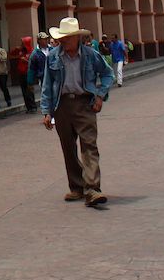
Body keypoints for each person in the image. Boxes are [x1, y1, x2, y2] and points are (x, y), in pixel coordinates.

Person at [39, 18, 116, 207]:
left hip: (84, 103)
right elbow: (47, 85)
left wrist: (100, 96)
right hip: (62, 105)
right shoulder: (53, 57)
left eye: (67, 38)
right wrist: (46, 111)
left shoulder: (91, 55)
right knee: (68, 147)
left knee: (89, 146)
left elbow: (108, 74)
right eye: (61, 38)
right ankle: (77, 186)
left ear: (77, 38)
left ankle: (92, 189)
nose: (63, 41)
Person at [27, 32, 51, 104]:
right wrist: (30, 82)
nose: (46, 40)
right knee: (46, 94)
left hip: (54, 75)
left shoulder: (52, 50)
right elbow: (31, 69)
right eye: (44, 39)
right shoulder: (35, 54)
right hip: (43, 77)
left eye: (47, 39)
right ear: (39, 41)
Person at [12, 37, 35, 113]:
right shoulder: (21, 51)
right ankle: (28, 107)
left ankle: (33, 106)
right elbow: (12, 54)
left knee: (29, 90)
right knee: (24, 91)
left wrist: (26, 60)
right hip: (21, 73)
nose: (21, 44)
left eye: (23, 43)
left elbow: (33, 62)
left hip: (28, 73)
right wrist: (16, 49)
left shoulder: (31, 51)